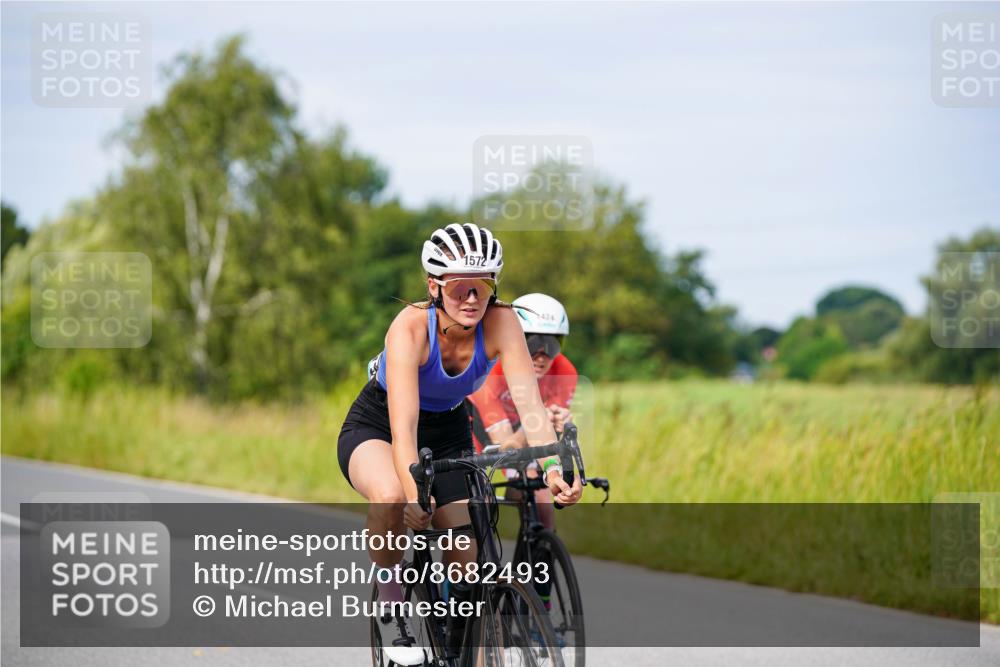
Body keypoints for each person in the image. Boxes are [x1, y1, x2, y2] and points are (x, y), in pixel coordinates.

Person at [337, 223, 583, 665]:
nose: (471, 298)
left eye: (482, 286)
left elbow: (531, 407)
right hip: (381, 426)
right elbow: (404, 429)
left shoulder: (502, 322)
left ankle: (455, 641)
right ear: (434, 286)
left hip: (448, 429)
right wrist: (415, 494)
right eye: (458, 288)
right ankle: (390, 607)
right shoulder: (410, 328)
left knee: (465, 549)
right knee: (392, 498)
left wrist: (552, 469)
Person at [466, 293, 576, 613]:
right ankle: (457, 602)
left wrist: (558, 425)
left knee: (542, 507)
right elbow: (505, 445)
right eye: (533, 343)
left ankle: (539, 610)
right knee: (472, 518)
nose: (542, 355)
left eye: (552, 344)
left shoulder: (565, 371)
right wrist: (541, 421)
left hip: (524, 437)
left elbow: (546, 435)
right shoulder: (488, 370)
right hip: (478, 441)